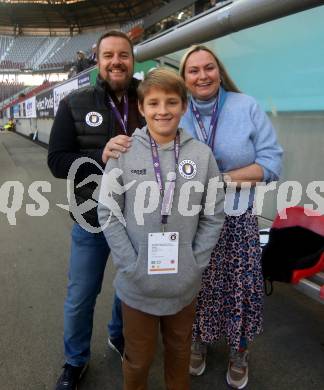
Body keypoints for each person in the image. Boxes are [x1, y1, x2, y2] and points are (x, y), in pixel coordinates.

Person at [97, 67, 225, 390]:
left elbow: (213, 213)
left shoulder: (201, 155)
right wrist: (130, 264)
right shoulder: (123, 152)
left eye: (171, 102)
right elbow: (107, 212)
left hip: (184, 284)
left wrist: (196, 262)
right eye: (153, 103)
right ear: (142, 109)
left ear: (184, 106)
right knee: (138, 359)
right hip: (138, 284)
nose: (163, 110)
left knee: (179, 354)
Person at [179, 45, 283, 389]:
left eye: (209, 68)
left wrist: (221, 180)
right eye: (193, 70)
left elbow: (270, 163)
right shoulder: (176, 111)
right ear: (184, 78)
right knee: (197, 286)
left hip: (237, 219)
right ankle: (198, 341)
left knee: (240, 288)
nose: (202, 75)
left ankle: (240, 351)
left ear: (219, 72)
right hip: (191, 219)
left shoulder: (246, 106)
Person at [48, 30, 145, 390]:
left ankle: (118, 338)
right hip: (91, 219)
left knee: (128, 290)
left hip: (136, 219)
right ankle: (74, 361)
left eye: (123, 55)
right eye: (109, 56)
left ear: (132, 59)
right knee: (81, 295)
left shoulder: (148, 98)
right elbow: (57, 162)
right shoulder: (74, 102)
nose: (116, 61)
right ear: (98, 60)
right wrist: (98, 156)